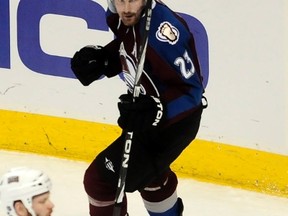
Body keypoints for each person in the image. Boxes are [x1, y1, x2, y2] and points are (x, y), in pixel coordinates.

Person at [71, 0, 207, 215]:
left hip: (175, 123)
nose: (126, 8)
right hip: (148, 118)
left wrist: (157, 110)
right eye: (121, 0)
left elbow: (192, 93)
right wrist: (104, 60)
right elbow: (132, 46)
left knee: (100, 182)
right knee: (151, 178)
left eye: (132, 0)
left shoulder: (163, 33)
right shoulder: (119, 14)